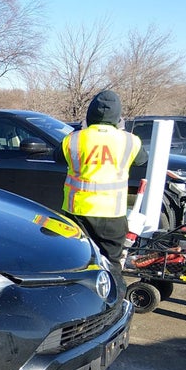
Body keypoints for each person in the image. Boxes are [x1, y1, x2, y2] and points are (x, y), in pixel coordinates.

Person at [61, 90, 147, 271]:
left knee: (77, 262)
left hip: (77, 213)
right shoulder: (130, 141)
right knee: (111, 263)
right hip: (112, 215)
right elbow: (142, 159)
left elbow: (58, 157)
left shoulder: (74, 139)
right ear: (117, 116)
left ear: (90, 115)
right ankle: (113, 298)